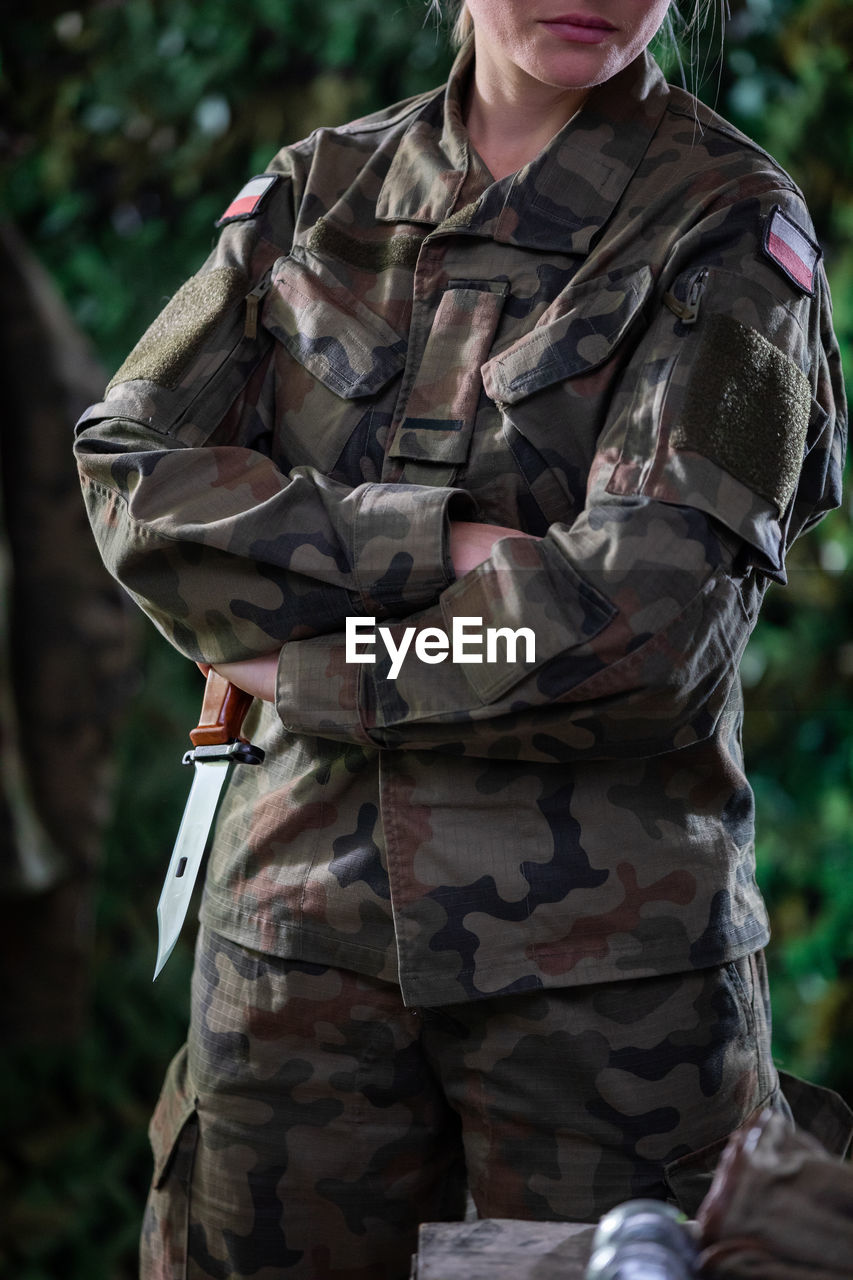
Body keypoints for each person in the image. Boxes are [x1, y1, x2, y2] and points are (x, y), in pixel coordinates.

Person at [74, 1, 850, 1276]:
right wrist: (437, 547)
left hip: (604, 1007)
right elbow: (129, 483)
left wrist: (315, 667)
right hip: (290, 967)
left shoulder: (724, 226)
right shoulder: (311, 197)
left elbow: (648, 628)